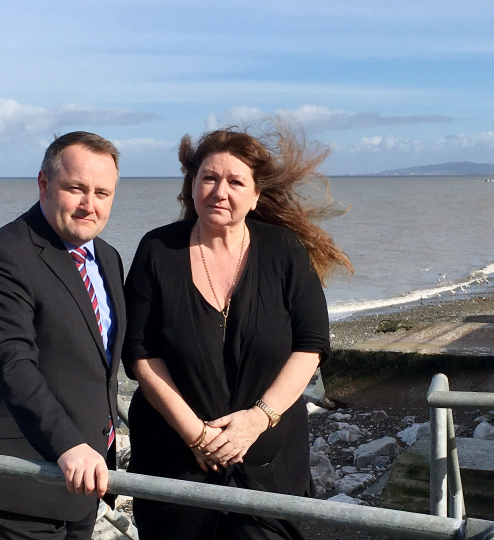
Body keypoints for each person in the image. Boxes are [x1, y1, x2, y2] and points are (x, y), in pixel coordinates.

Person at [123, 125, 352, 539]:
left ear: (255, 195)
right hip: (176, 461)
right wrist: (195, 433)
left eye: (235, 181)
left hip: (269, 462)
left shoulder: (284, 249)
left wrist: (256, 421)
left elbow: (312, 345)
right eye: (208, 178)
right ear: (192, 185)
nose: (219, 191)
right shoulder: (158, 250)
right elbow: (140, 353)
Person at [0, 131, 126, 540]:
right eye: (76, 189)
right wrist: (68, 445)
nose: (90, 204)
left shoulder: (108, 257)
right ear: (44, 184)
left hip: (86, 476)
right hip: (21, 479)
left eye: (103, 193)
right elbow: (11, 363)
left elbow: (96, 359)